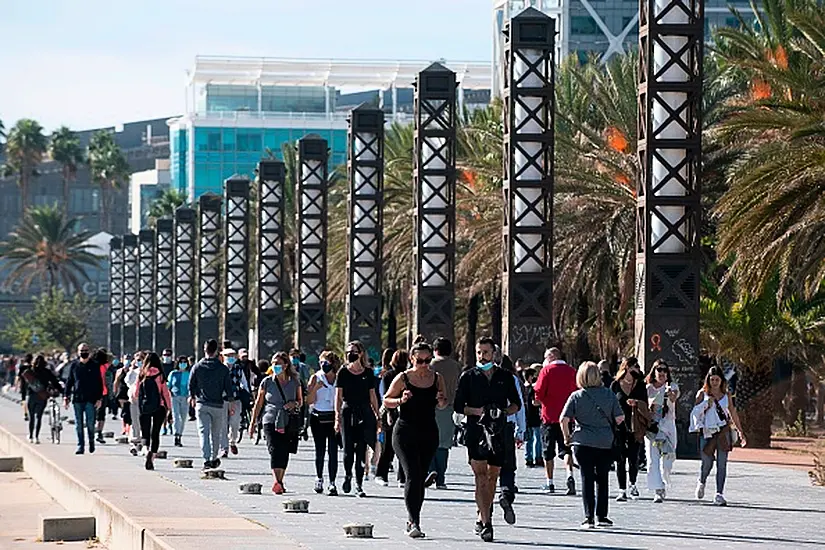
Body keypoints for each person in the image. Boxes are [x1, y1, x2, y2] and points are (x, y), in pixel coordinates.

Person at [454, 337, 522, 543]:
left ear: (494, 354)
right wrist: (478, 411)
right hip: (476, 431)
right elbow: (458, 406)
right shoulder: (468, 377)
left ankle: (483, 513)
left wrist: (502, 412)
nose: (481, 356)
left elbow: (516, 404)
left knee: (493, 477)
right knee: (480, 477)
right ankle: (486, 522)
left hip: (499, 432)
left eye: (485, 352)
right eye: (478, 352)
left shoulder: (506, 377)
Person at [383, 341, 448, 538]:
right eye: (420, 361)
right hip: (405, 432)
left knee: (419, 477)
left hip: (428, 432)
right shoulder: (403, 378)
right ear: (412, 359)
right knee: (412, 474)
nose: (424, 365)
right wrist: (400, 400)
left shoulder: (437, 378)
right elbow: (386, 400)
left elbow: (443, 404)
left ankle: (413, 518)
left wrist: (441, 400)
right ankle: (414, 521)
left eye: (428, 360)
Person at [560, 361, 625, 529]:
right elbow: (619, 418)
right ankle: (602, 516)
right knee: (602, 479)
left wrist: (567, 437)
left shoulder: (576, 396)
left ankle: (588, 517)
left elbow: (563, 419)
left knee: (586, 478)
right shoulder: (609, 394)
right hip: (605, 442)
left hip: (583, 442)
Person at [690, 366, 746, 506]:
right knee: (707, 462)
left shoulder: (726, 395)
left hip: (723, 432)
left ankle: (719, 493)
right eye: (712, 379)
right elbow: (695, 413)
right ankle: (702, 481)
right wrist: (705, 405)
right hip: (708, 432)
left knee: (722, 464)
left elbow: (732, 412)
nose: (714, 382)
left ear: (721, 381)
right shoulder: (702, 394)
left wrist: (740, 431)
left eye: (717, 380)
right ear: (708, 380)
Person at [250, 351, 303, 494]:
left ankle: (280, 480)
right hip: (270, 419)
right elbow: (258, 403)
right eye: (273, 363)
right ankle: (277, 481)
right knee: (274, 449)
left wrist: (294, 404)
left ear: (286, 365)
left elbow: (301, 401)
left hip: (287, 420)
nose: (275, 366)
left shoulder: (294, 381)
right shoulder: (266, 382)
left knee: (284, 451)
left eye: (278, 364)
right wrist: (252, 423)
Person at [335, 340, 381, 498]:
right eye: (348, 352)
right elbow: (338, 396)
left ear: (361, 353)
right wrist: (337, 417)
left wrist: (377, 414)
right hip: (348, 411)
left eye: (354, 351)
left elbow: (373, 395)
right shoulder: (343, 372)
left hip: (364, 411)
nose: (350, 354)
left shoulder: (368, 373)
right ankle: (348, 475)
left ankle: (359, 484)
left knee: (362, 449)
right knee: (348, 450)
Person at [534, 347, 577, 495]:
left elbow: (538, 394)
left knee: (548, 451)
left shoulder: (546, 371)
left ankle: (550, 482)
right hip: (567, 418)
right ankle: (570, 474)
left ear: (551, 357)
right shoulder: (572, 371)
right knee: (566, 449)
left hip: (549, 417)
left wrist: (538, 402)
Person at [189, 339, 235, 469]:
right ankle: (214, 457)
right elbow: (228, 387)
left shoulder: (197, 366)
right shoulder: (223, 368)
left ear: (205, 349)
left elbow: (191, 384)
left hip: (202, 404)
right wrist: (231, 402)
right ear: (216, 351)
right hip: (218, 405)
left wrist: (192, 397)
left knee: (203, 432)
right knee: (216, 433)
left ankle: (206, 459)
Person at [610, 360, 649, 502]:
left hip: (635, 426)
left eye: (638, 367)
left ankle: (633, 484)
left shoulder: (640, 385)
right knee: (620, 458)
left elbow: (646, 404)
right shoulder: (615, 385)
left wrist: (636, 403)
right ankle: (622, 489)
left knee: (633, 457)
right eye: (635, 366)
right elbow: (610, 403)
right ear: (626, 368)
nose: (637, 369)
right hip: (618, 427)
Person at [426, 337, 461, 489]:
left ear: (435, 350)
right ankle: (441, 479)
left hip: (430, 407)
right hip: (450, 407)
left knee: (428, 441)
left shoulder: (431, 366)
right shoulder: (456, 366)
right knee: (444, 444)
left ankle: (431, 468)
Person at [307, 350, 341, 495]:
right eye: (321, 362)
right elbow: (309, 400)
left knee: (333, 451)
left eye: (326, 363)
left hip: (333, 417)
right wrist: (315, 388)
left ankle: (332, 482)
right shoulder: (316, 377)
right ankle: (319, 478)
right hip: (318, 416)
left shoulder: (339, 378)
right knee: (320, 449)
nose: (323, 365)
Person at [131, 353, 173, 470]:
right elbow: (165, 393)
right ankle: (152, 456)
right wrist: (169, 408)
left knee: (145, 432)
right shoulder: (160, 374)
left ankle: (145, 449)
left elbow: (135, 393)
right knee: (155, 433)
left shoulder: (142, 374)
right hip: (159, 407)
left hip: (145, 408)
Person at [646, 359, 680, 501]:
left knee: (668, 458)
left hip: (668, 426)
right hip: (653, 427)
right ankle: (658, 489)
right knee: (653, 458)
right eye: (659, 369)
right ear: (653, 371)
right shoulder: (648, 388)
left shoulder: (672, 386)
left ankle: (665, 477)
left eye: (665, 370)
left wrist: (670, 394)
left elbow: (674, 398)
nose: (662, 372)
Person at [375, 350, 409, 487]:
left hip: (391, 413)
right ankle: (402, 477)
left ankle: (382, 474)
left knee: (388, 446)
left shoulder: (387, 375)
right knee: (403, 446)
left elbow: (383, 395)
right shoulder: (407, 376)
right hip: (402, 413)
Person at [63, 343, 104, 455]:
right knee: (78, 424)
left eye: (86, 350)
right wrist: (66, 396)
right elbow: (69, 381)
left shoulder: (95, 365)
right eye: (82, 350)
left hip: (91, 399)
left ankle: (91, 441)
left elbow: (99, 383)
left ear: (89, 352)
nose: (84, 352)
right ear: (78, 352)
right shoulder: (74, 365)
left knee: (90, 423)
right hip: (77, 399)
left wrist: (99, 398)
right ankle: (80, 445)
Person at [21, 354, 62, 443]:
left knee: (31, 417)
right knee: (39, 417)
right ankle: (36, 437)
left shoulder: (29, 371)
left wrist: (23, 397)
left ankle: (31, 436)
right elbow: (55, 382)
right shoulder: (46, 372)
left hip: (31, 396)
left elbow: (24, 385)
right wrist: (62, 391)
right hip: (42, 396)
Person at [220, 347, 249, 457]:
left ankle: (232, 441)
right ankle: (224, 448)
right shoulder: (220, 369)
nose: (230, 358)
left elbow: (244, 382)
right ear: (223, 357)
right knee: (223, 425)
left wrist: (247, 393)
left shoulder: (238, 368)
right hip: (222, 400)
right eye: (228, 356)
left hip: (236, 399)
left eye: (232, 356)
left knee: (235, 423)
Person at [168, 356, 192, 447]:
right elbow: (168, 385)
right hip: (175, 396)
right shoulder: (173, 373)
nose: (183, 364)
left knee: (183, 417)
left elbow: (191, 386)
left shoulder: (189, 374)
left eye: (185, 362)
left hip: (185, 397)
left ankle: (180, 433)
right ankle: (176, 435)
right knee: (176, 417)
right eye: (181, 362)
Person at [523, 365, 543, 468]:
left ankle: (528, 458)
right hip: (534, 415)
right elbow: (535, 402)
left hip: (525, 416)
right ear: (530, 377)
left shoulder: (522, 388)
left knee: (528, 439)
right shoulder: (532, 389)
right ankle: (538, 457)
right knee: (537, 438)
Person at [94, 348, 112, 445]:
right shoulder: (105, 366)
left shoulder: (91, 366)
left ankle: (92, 430)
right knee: (101, 414)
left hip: (92, 392)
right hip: (103, 393)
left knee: (92, 412)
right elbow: (111, 358)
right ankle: (99, 433)